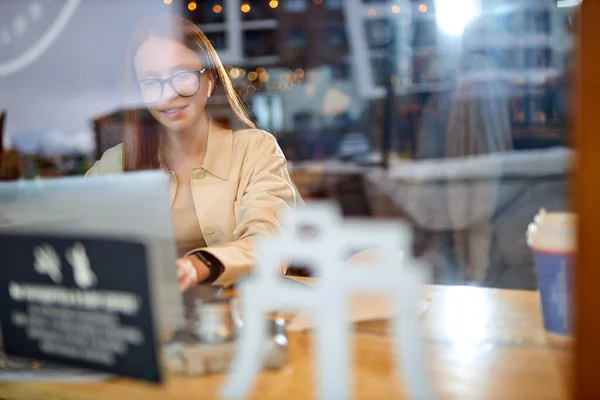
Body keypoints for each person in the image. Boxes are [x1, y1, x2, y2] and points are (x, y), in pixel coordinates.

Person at [86, 14, 298, 291]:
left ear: (210, 80)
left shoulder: (255, 149)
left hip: (238, 318)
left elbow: (270, 244)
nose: (168, 94)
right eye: (150, 83)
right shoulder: (117, 162)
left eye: (182, 76)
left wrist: (197, 266)